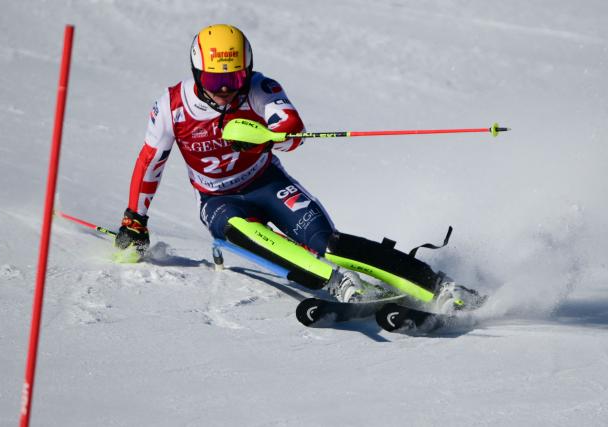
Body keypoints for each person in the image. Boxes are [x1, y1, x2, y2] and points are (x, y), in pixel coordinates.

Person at [115, 24, 473, 308]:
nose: (225, 91)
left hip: (266, 182)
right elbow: (151, 162)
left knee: (328, 243)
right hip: (218, 199)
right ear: (197, 74)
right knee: (243, 232)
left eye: (234, 78)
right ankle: (336, 282)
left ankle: (437, 285)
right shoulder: (171, 106)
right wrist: (135, 220)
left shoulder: (259, 88)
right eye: (214, 81)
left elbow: (293, 131)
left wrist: (263, 135)